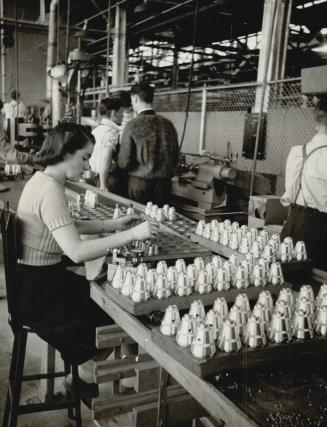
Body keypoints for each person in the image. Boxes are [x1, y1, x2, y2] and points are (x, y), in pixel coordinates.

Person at [16, 123, 159, 398]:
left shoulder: (43, 180)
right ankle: (83, 376)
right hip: (40, 294)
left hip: (37, 280)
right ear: (65, 152)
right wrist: (131, 234)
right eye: (84, 157)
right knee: (121, 312)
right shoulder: (50, 191)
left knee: (107, 296)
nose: (88, 166)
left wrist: (112, 225)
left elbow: (67, 226)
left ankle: (83, 376)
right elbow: (77, 252)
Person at [281, 95, 327, 270]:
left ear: (317, 123)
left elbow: (289, 194)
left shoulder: (298, 152)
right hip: (322, 234)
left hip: (295, 227)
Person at [117, 82, 180, 206]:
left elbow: (124, 162)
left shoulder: (133, 125)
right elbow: (175, 156)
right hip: (164, 185)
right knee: (161, 220)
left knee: (139, 221)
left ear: (135, 98)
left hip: (140, 184)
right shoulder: (168, 124)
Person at [89, 96, 124, 193]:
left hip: (93, 176)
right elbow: (105, 157)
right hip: (107, 179)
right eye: (121, 112)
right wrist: (103, 185)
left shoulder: (96, 130)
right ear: (114, 113)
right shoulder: (111, 131)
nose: (123, 116)